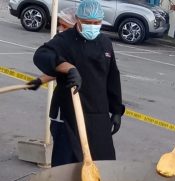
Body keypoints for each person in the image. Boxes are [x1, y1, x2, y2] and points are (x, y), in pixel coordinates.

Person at [30, 0, 125, 167]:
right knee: (66, 163)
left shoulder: (105, 43)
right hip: (69, 112)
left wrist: (117, 110)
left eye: (97, 23)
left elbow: (112, 78)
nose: (92, 26)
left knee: (101, 161)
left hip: (98, 113)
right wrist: (68, 68)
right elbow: (42, 55)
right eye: (88, 23)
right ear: (78, 20)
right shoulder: (64, 40)